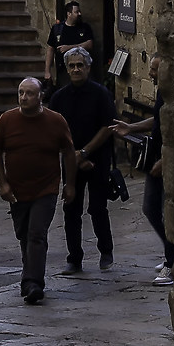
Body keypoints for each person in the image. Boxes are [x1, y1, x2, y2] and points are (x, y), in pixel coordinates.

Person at [0, 76, 75, 304]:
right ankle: (29, 280)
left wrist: (70, 183)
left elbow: (68, 151)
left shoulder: (55, 121)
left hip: (46, 188)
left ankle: (34, 283)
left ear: (40, 97)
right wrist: (2, 183)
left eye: (29, 93)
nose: (24, 98)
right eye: (20, 93)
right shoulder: (7, 120)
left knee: (37, 233)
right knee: (24, 235)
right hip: (17, 190)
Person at [47, 47, 118, 273]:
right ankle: (74, 258)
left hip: (97, 159)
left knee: (98, 208)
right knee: (71, 208)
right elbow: (52, 130)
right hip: (70, 161)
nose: (76, 69)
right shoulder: (59, 98)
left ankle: (106, 251)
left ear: (88, 67)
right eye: (72, 65)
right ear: (67, 69)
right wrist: (72, 157)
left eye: (80, 65)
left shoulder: (100, 94)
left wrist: (84, 153)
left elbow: (108, 126)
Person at [111, 51, 174, 286]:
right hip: (156, 160)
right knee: (150, 208)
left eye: (154, 69)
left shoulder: (173, 94)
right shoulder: (163, 93)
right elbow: (158, 121)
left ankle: (172, 262)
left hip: (164, 162)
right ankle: (172, 253)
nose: (150, 73)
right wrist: (131, 128)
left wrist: (166, 160)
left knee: (166, 213)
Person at [43, 1, 93, 87]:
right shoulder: (57, 29)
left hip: (81, 70)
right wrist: (47, 71)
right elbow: (50, 49)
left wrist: (69, 48)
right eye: (76, 12)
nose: (79, 14)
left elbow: (89, 44)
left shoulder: (84, 28)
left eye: (79, 11)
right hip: (63, 71)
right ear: (69, 14)